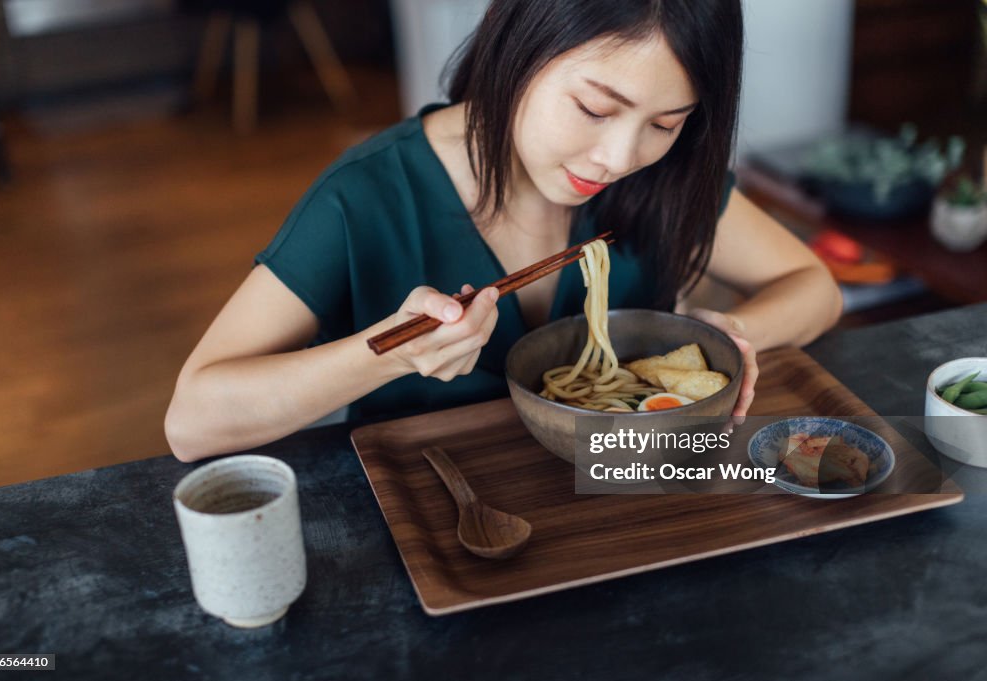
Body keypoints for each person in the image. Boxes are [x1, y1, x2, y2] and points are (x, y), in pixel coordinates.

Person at [165, 0, 842, 463]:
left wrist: (731, 335)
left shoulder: (659, 180)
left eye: (666, 124)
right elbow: (192, 421)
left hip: (626, 502)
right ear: (521, 46)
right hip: (438, 527)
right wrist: (390, 353)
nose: (619, 158)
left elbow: (815, 286)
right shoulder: (369, 194)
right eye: (594, 107)